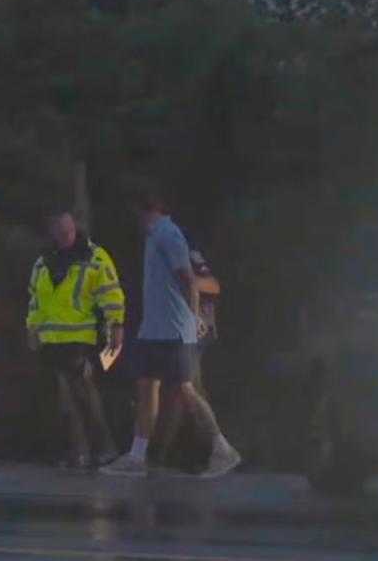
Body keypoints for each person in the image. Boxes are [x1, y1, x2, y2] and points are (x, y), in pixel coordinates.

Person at [101, 192, 240, 478]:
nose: (135, 222)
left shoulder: (169, 235)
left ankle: (222, 449)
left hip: (174, 328)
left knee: (184, 390)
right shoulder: (154, 237)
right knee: (146, 386)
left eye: (136, 215)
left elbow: (188, 279)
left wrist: (193, 316)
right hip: (155, 327)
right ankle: (137, 457)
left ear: (145, 211)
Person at [27, 208, 125, 468]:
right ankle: (79, 451)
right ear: (52, 233)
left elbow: (111, 294)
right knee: (65, 396)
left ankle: (104, 447)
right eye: (60, 232)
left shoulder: (94, 257)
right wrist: (33, 327)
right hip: (52, 338)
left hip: (81, 336)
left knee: (83, 389)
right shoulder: (44, 260)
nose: (66, 236)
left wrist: (116, 325)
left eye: (69, 231)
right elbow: (37, 299)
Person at [153, 248, 222, 469]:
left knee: (189, 389)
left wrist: (190, 283)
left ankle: (211, 450)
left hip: (196, 330)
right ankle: (168, 451)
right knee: (180, 389)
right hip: (179, 329)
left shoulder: (186, 255)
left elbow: (212, 285)